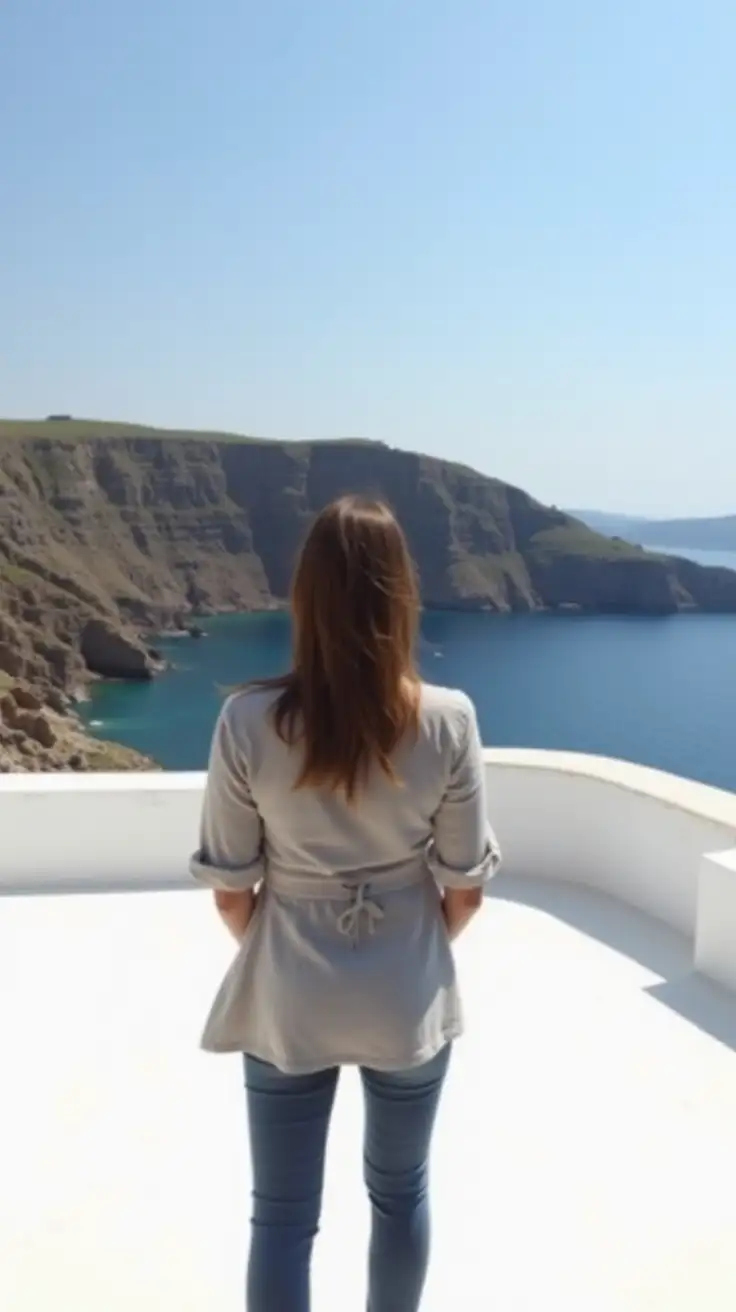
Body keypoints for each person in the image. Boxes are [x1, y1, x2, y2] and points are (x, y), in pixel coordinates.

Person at [190, 495, 501, 1312]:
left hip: (289, 987)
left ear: (306, 596)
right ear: (401, 593)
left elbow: (230, 891)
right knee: (400, 1196)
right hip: (406, 991)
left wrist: (287, 945)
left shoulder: (247, 719)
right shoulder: (449, 720)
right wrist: (405, 947)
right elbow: (465, 886)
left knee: (282, 1218)